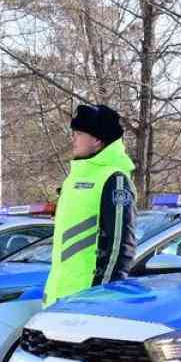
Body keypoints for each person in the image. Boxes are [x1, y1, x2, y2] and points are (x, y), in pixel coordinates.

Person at [42, 103, 136, 307]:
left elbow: (120, 245)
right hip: (59, 297)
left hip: (88, 300)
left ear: (97, 140)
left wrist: (101, 296)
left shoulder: (114, 178)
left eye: (79, 133)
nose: (73, 138)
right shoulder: (73, 179)